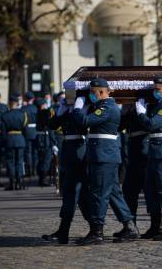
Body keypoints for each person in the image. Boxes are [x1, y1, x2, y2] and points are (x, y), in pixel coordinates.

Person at [73, 78, 138, 245]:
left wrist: (78, 109)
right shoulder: (102, 106)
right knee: (114, 193)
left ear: (101, 92)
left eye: (92, 93)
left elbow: (85, 122)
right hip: (102, 155)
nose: (89, 96)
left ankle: (97, 231)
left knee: (99, 193)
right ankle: (130, 227)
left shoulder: (107, 107)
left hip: (103, 156)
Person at [135, 76, 162, 241]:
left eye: (158, 90)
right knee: (150, 189)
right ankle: (156, 226)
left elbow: (152, 124)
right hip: (154, 151)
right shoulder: (159, 105)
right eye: (154, 89)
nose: (155, 92)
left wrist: (141, 113)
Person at [42, 96, 90, 244]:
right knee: (76, 193)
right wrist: (61, 112)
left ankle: (91, 228)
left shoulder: (86, 107)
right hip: (68, 151)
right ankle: (66, 230)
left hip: (80, 150)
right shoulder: (69, 109)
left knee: (75, 192)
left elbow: (83, 125)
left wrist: (77, 109)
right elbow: (51, 125)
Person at [0, 95, 28, 190]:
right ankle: (19, 182)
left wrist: (4, 142)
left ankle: (12, 182)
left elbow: (3, 132)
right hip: (20, 139)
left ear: (9, 103)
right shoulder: (23, 114)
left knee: (10, 161)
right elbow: (25, 130)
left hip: (9, 140)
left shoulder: (4, 115)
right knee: (19, 161)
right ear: (17, 103)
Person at [35, 98, 56, 187]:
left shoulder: (36, 113)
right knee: (46, 160)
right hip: (46, 138)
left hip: (38, 138)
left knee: (40, 159)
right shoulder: (46, 113)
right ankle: (43, 179)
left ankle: (40, 178)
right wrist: (54, 141)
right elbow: (50, 127)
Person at [21, 91, 38, 177]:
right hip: (35, 130)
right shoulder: (36, 108)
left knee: (27, 152)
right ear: (33, 99)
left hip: (26, 130)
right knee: (34, 152)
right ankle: (34, 170)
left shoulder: (23, 109)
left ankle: (29, 170)